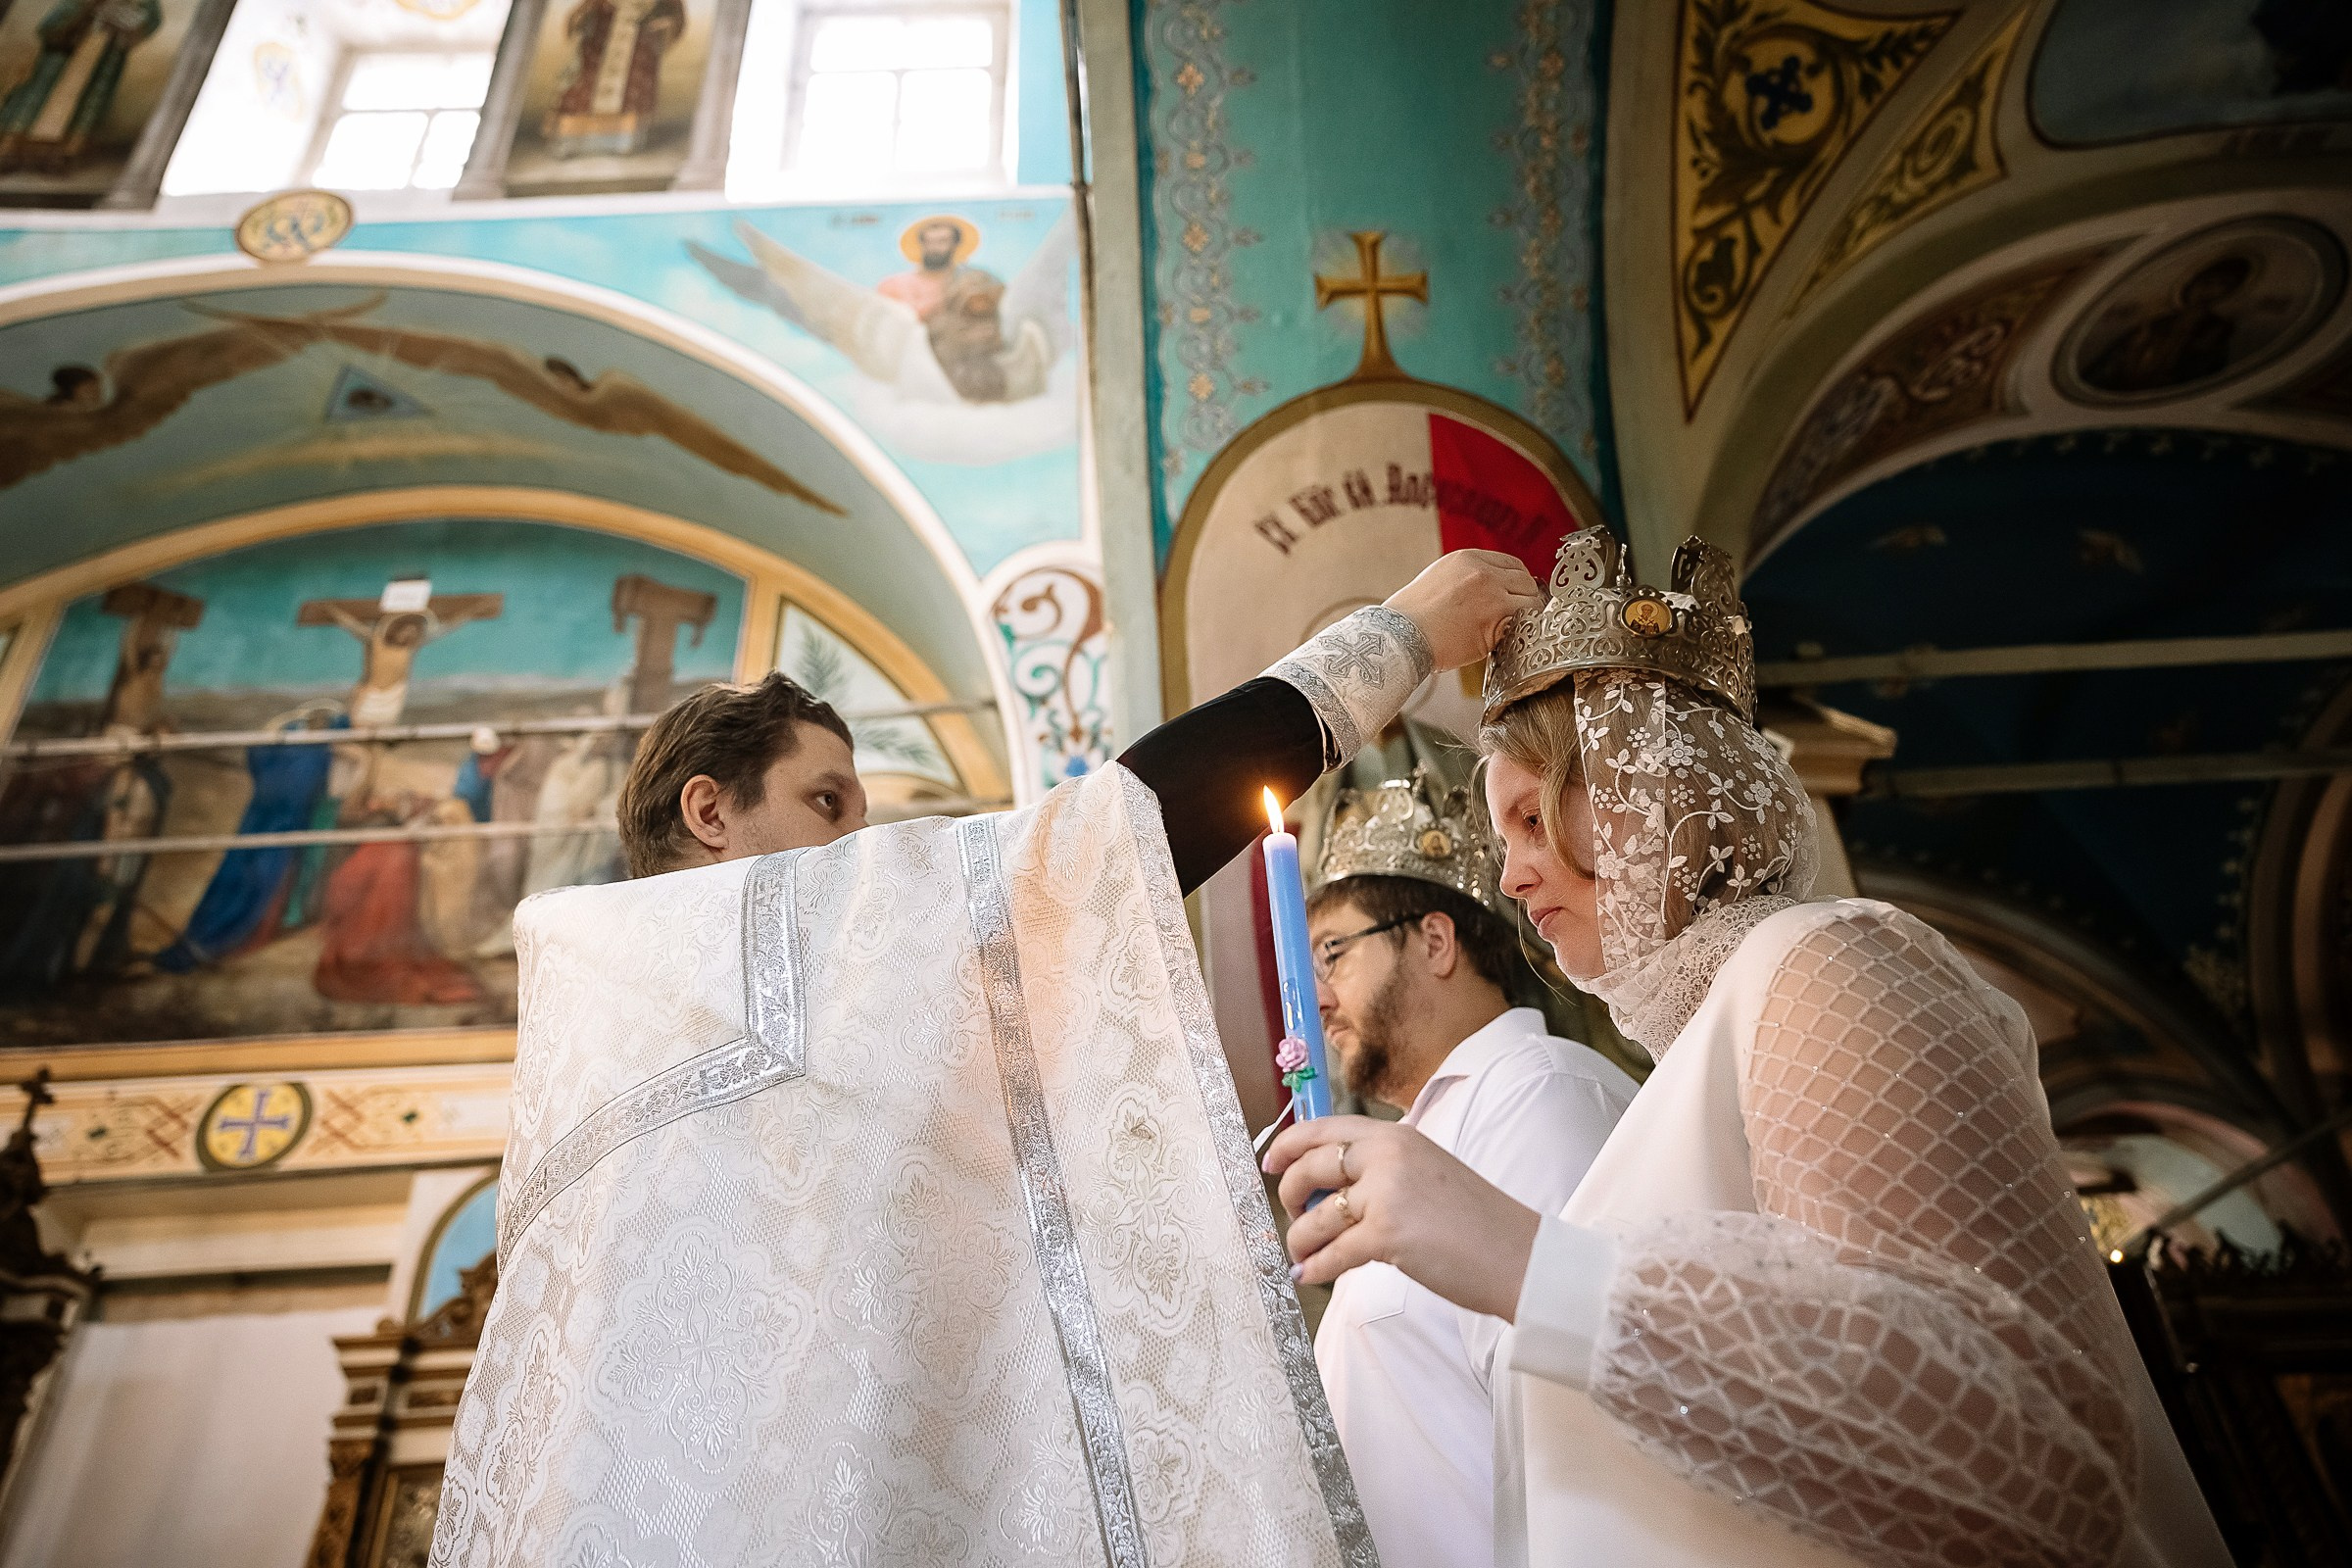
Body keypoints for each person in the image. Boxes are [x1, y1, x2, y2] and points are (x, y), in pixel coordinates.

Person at [431, 550, 1542, 1568]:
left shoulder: (599, 1027)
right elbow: (1116, 833)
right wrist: (1397, 636)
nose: (861, 855)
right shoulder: (762, 947)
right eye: (827, 805)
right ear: (709, 809)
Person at [1265, 529, 2233, 1568]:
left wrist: (1522, 1259)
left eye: (1532, 818)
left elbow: (2029, 1454)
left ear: (1641, 784)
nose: (1510, 877)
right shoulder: (1687, 1062)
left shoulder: (1824, 960)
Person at [1305, 769, 1634, 1568]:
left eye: (1332, 954)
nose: (1316, 997)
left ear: (1436, 940)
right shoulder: (1427, 1136)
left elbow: (1580, 1406)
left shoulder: (1539, 1094)